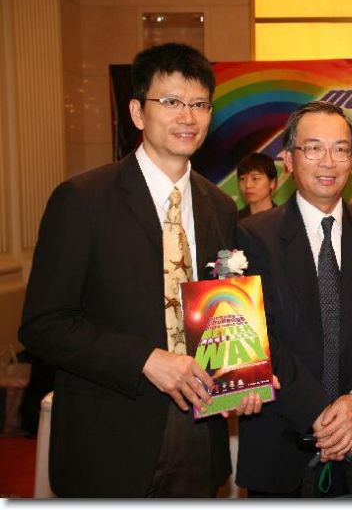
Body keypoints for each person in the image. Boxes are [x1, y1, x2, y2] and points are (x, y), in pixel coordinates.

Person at [18, 43, 260, 497]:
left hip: (199, 430)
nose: (187, 116)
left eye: (199, 104)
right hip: (110, 434)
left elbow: (222, 308)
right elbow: (43, 325)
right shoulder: (83, 199)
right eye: (171, 101)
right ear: (137, 112)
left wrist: (243, 372)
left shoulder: (220, 206)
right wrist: (145, 359)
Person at [236, 101, 352, 497]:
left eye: (340, 149)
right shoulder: (252, 236)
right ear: (289, 160)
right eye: (313, 148)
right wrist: (318, 412)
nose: (328, 161)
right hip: (279, 446)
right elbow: (255, 333)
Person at [237, 152, 278, 219]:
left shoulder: (284, 218)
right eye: (242, 179)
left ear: (272, 183)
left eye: (255, 178)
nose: (247, 185)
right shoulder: (234, 222)